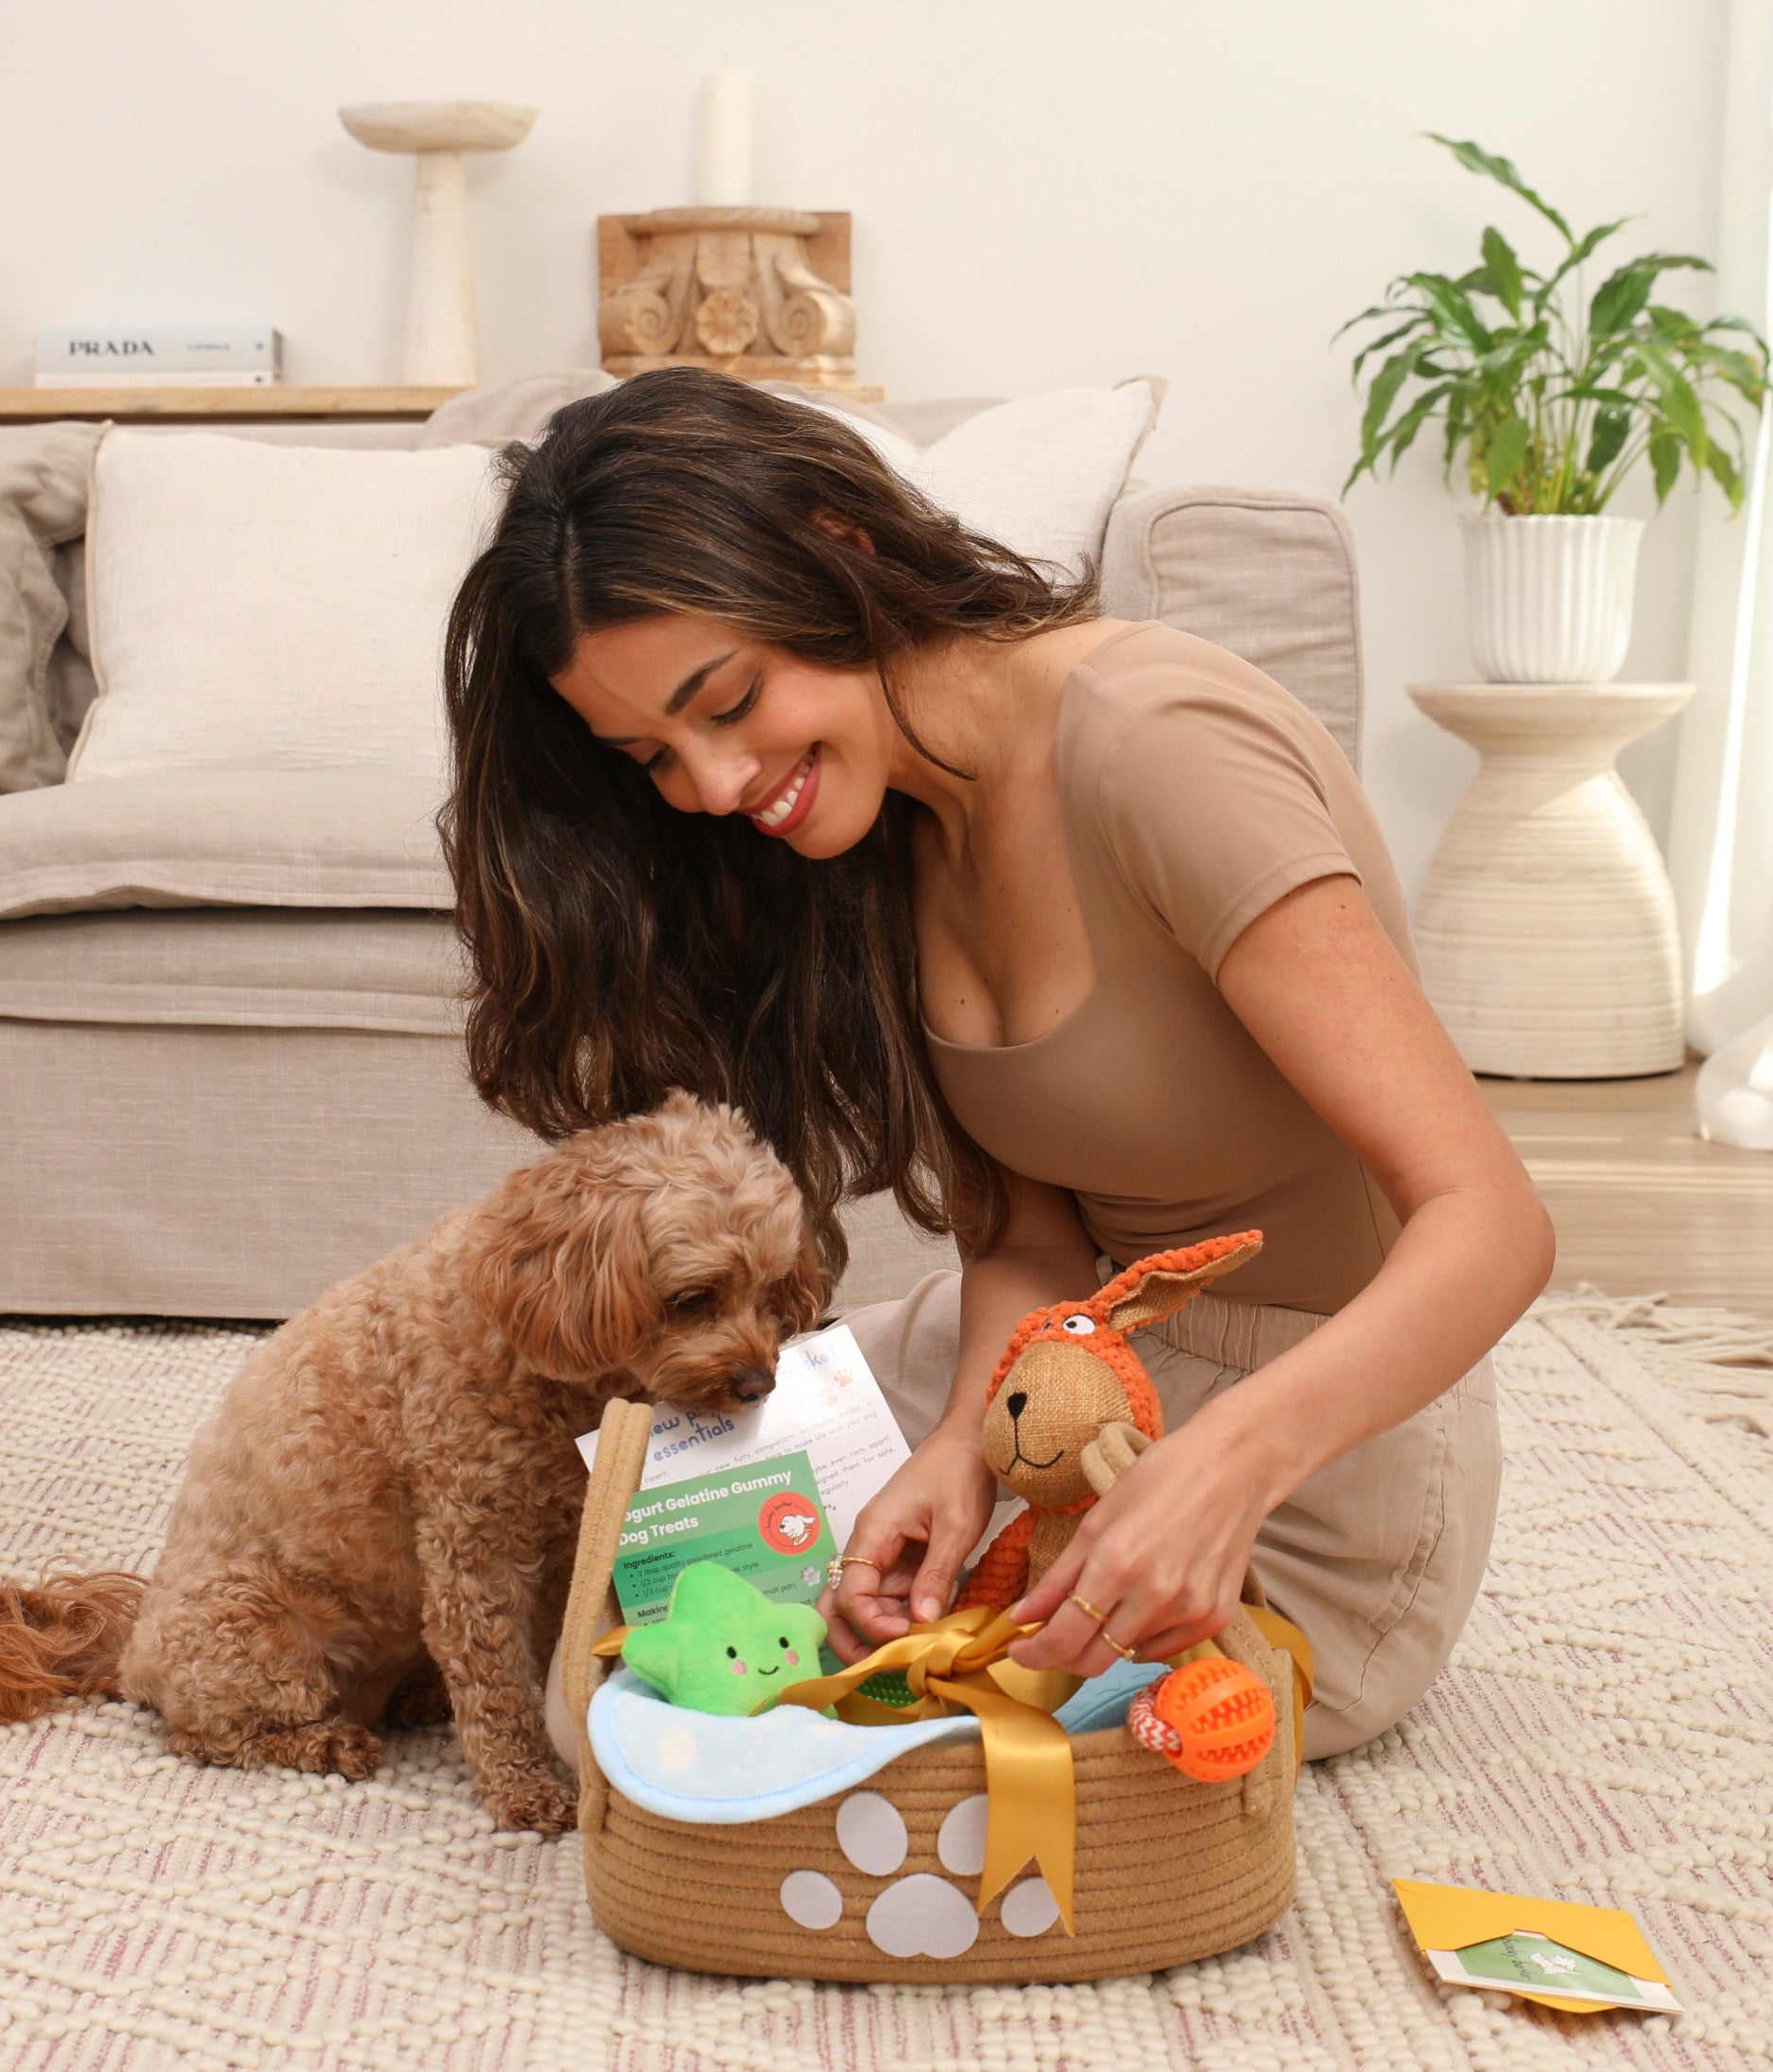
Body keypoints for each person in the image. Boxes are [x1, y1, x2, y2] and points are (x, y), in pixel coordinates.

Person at [443, 370, 1553, 1760]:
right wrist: (964, 1444)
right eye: (651, 757)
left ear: (836, 543)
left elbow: (1494, 1222)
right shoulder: (883, 828)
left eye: (727, 701)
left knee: (883, 1731)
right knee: (619, 1656)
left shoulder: (1160, 751)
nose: (715, 788)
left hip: (1319, 1418)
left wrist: (1222, 1467)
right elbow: (1029, 1236)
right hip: (1063, 1365)